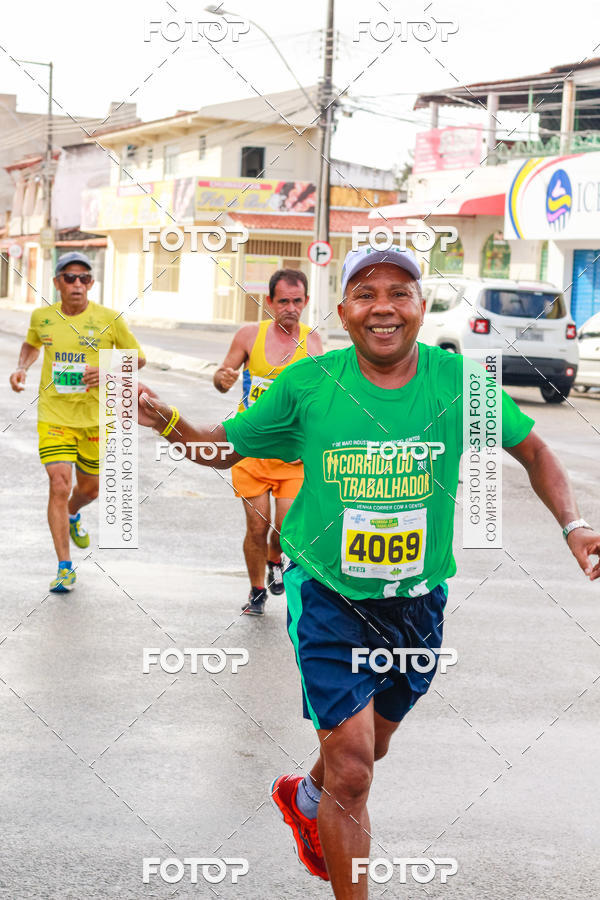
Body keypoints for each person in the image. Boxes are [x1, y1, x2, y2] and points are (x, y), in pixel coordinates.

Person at [136, 246, 600, 898]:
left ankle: (307, 796)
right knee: (354, 770)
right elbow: (223, 446)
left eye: (399, 291)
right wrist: (168, 422)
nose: (382, 305)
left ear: (420, 305)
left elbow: (535, 450)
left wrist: (574, 525)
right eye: (365, 292)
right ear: (345, 312)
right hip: (328, 592)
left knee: (364, 754)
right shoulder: (309, 383)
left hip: (417, 604)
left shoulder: (458, 382)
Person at [9, 251, 145, 594]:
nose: (77, 284)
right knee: (58, 483)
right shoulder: (43, 317)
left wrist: (111, 369)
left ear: (91, 284)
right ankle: (65, 567)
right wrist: (22, 367)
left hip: (97, 419)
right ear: (57, 283)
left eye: (84, 278)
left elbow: (138, 359)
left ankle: (73, 513)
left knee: (90, 489)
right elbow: (31, 344)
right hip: (55, 415)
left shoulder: (110, 319)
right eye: (70, 278)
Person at [213, 268, 323, 615]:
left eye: (297, 301)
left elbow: (321, 399)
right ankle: (257, 590)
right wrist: (224, 377)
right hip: (250, 449)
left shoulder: (314, 342)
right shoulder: (248, 335)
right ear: (270, 302)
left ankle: (276, 558)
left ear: (305, 302)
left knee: (285, 527)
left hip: (292, 455)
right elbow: (221, 379)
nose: (290, 308)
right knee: (257, 526)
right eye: (283, 301)